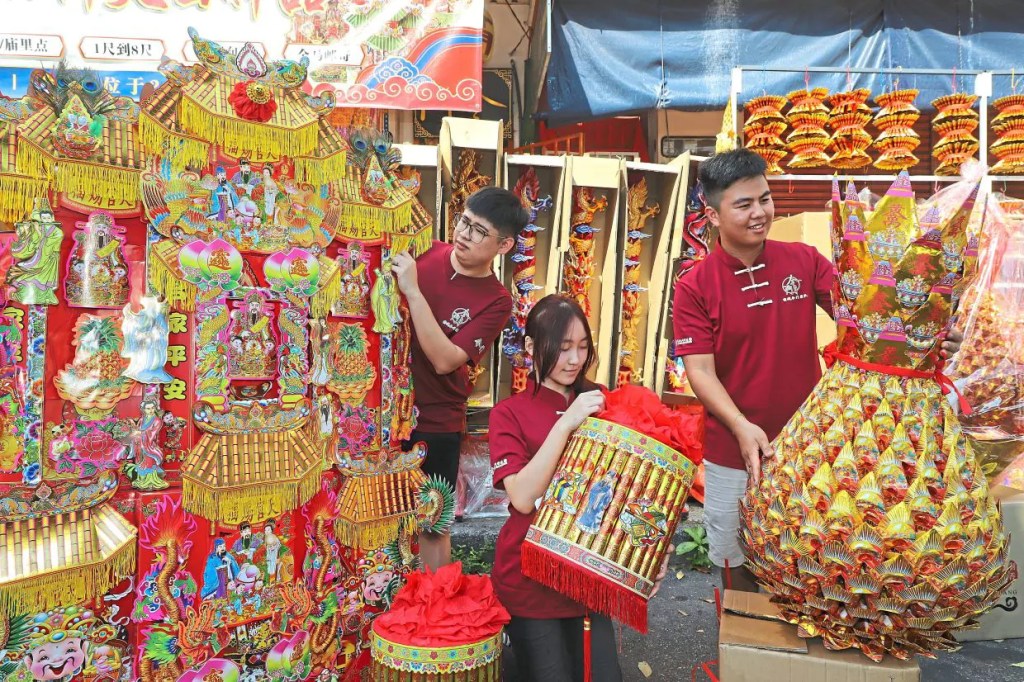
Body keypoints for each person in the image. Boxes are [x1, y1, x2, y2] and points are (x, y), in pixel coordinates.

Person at [672, 148, 963, 593]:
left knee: (806, 566)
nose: (759, 213)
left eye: (764, 199)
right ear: (712, 215)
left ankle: (799, 664)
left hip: (808, 452)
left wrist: (925, 336)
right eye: (743, 204)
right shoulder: (694, 287)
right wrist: (740, 426)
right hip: (732, 451)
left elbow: (867, 318)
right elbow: (701, 372)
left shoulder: (802, 261)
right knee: (736, 574)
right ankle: (744, 660)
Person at [488, 295, 669, 682]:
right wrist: (566, 422)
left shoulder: (603, 402)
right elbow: (521, 496)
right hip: (529, 581)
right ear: (532, 347)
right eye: (563, 347)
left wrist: (654, 551)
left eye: (582, 347)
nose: (574, 360)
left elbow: (637, 484)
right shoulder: (509, 413)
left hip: (589, 577)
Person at [391, 186, 528, 570]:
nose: (465, 235)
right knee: (385, 516)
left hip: (435, 419)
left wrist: (413, 293)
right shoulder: (425, 252)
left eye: (479, 231)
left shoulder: (496, 300)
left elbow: (444, 360)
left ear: (504, 245)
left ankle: (432, 608)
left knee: (434, 523)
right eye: (464, 222)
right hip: (383, 414)